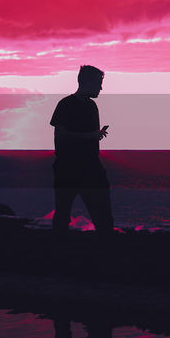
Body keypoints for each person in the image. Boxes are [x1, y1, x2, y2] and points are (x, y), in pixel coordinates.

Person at [50, 64, 113, 234]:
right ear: (87, 82)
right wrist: (90, 136)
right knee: (63, 214)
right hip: (68, 168)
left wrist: (94, 135)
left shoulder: (92, 107)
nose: (101, 87)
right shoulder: (65, 104)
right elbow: (60, 136)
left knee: (103, 216)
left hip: (91, 167)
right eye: (98, 83)